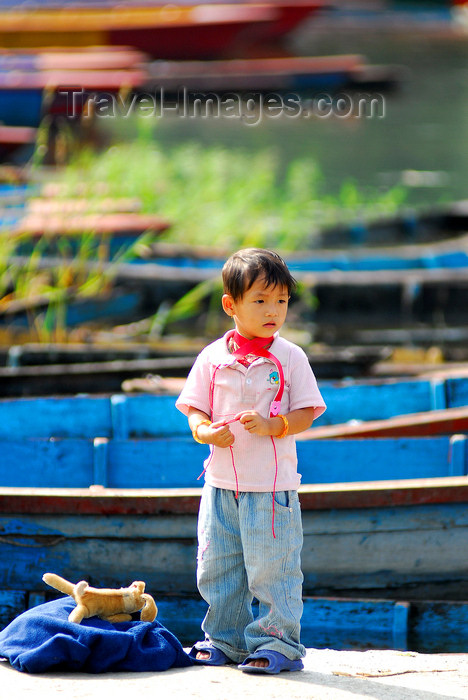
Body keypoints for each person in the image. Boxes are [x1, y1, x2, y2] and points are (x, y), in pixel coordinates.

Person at [176, 248, 326, 674]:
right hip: (220, 484)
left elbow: (306, 413)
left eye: (280, 301)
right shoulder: (212, 357)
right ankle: (223, 639)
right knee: (218, 565)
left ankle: (278, 643)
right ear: (231, 305)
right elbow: (195, 412)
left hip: (272, 487)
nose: (272, 311)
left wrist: (273, 425)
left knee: (273, 568)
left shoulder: (291, 357)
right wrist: (205, 432)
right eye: (259, 301)